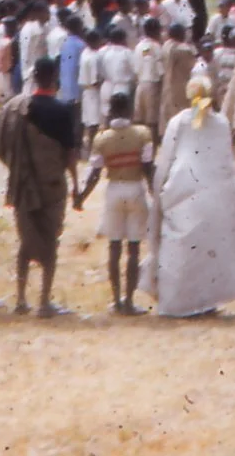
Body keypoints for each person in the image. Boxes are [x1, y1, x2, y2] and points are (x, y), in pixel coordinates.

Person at [143, 77, 235, 318]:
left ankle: (178, 305)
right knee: (212, 249)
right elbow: (226, 162)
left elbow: (166, 159)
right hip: (217, 193)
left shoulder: (178, 122)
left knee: (181, 251)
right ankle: (206, 301)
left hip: (184, 191)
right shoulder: (221, 122)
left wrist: (159, 190)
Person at [0, 57, 79, 315]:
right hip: (52, 184)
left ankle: (20, 299)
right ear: (54, 78)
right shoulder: (63, 111)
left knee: (25, 240)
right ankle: (43, 301)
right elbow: (71, 154)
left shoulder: (17, 108)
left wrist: (15, 166)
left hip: (24, 182)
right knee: (50, 240)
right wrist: (76, 185)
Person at [76, 91, 155, 315]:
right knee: (133, 247)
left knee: (114, 246)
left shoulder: (102, 138)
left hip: (114, 190)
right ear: (129, 110)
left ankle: (116, 299)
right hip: (135, 188)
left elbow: (94, 173)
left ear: (110, 110)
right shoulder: (142, 134)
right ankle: (129, 300)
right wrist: (154, 191)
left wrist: (82, 196)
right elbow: (148, 167)